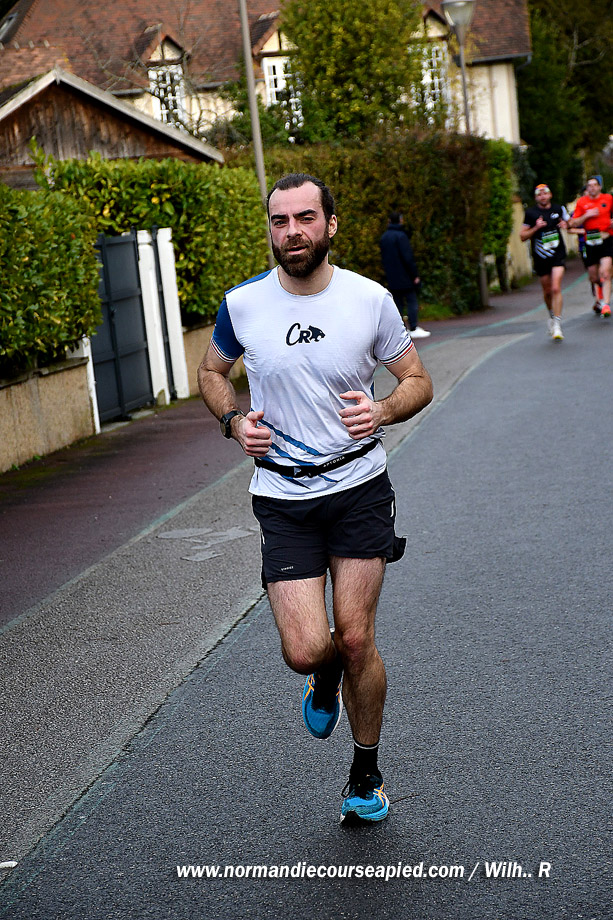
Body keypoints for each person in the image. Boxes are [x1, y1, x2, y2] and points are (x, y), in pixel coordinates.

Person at [198, 173, 433, 825]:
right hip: (282, 496)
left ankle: (365, 774)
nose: (292, 231)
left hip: (358, 486)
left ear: (330, 224)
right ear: (270, 229)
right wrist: (232, 421)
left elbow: (417, 379)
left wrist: (383, 409)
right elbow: (212, 371)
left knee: (356, 638)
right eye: (280, 221)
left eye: (305, 218)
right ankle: (322, 678)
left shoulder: (369, 300)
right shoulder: (243, 304)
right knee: (306, 650)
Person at [520, 184, 569, 341]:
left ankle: (557, 324)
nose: (542, 196)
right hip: (541, 256)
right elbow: (522, 236)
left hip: (557, 254)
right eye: (539, 194)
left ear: (550, 195)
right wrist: (536, 227)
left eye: (545, 193)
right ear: (536, 198)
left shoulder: (558, 209)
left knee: (556, 288)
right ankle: (552, 316)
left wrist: (566, 224)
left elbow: (571, 223)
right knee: (547, 291)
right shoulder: (531, 213)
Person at [379, 211, 430, 338]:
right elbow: (408, 258)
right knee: (411, 301)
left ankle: (400, 330)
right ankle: (413, 327)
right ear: (400, 220)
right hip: (405, 276)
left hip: (391, 276)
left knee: (397, 304)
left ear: (389, 221)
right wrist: (414, 275)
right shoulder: (401, 236)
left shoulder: (384, 238)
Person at [569, 175, 613, 318]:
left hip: (606, 239)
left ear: (600, 187)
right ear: (587, 188)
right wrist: (586, 215)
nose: (592, 188)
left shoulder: (608, 199)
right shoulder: (582, 202)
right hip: (590, 242)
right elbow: (573, 223)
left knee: (605, 272)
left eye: (595, 185)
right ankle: (599, 291)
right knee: (594, 276)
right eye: (589, 185)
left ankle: (606, 304)